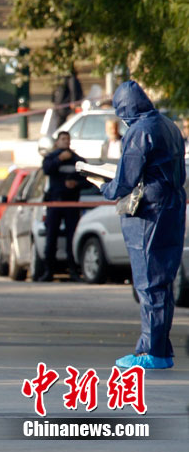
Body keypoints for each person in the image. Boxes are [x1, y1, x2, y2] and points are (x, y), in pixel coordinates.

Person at [101, 81, 185, 370]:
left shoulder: (140, 131)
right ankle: (160, 348)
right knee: (163, 282)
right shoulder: (169, 125)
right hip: (172, 207)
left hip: (150, 210)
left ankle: (152, 351)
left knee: (148, 282)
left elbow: (126, 179)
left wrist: (105, 186)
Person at [37, 131, 87, 282]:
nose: (65, 141)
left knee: (72, 238)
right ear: (57, 142)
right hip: (55, 202)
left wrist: (76, 184)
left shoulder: (77, 160)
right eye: (63, 139)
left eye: (67, 139)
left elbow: (88, 180)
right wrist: (59, 159)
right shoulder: (52, 157)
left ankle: (73, 271)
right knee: (51, 237)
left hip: (71, 203)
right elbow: (46, 169)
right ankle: (48, 271)